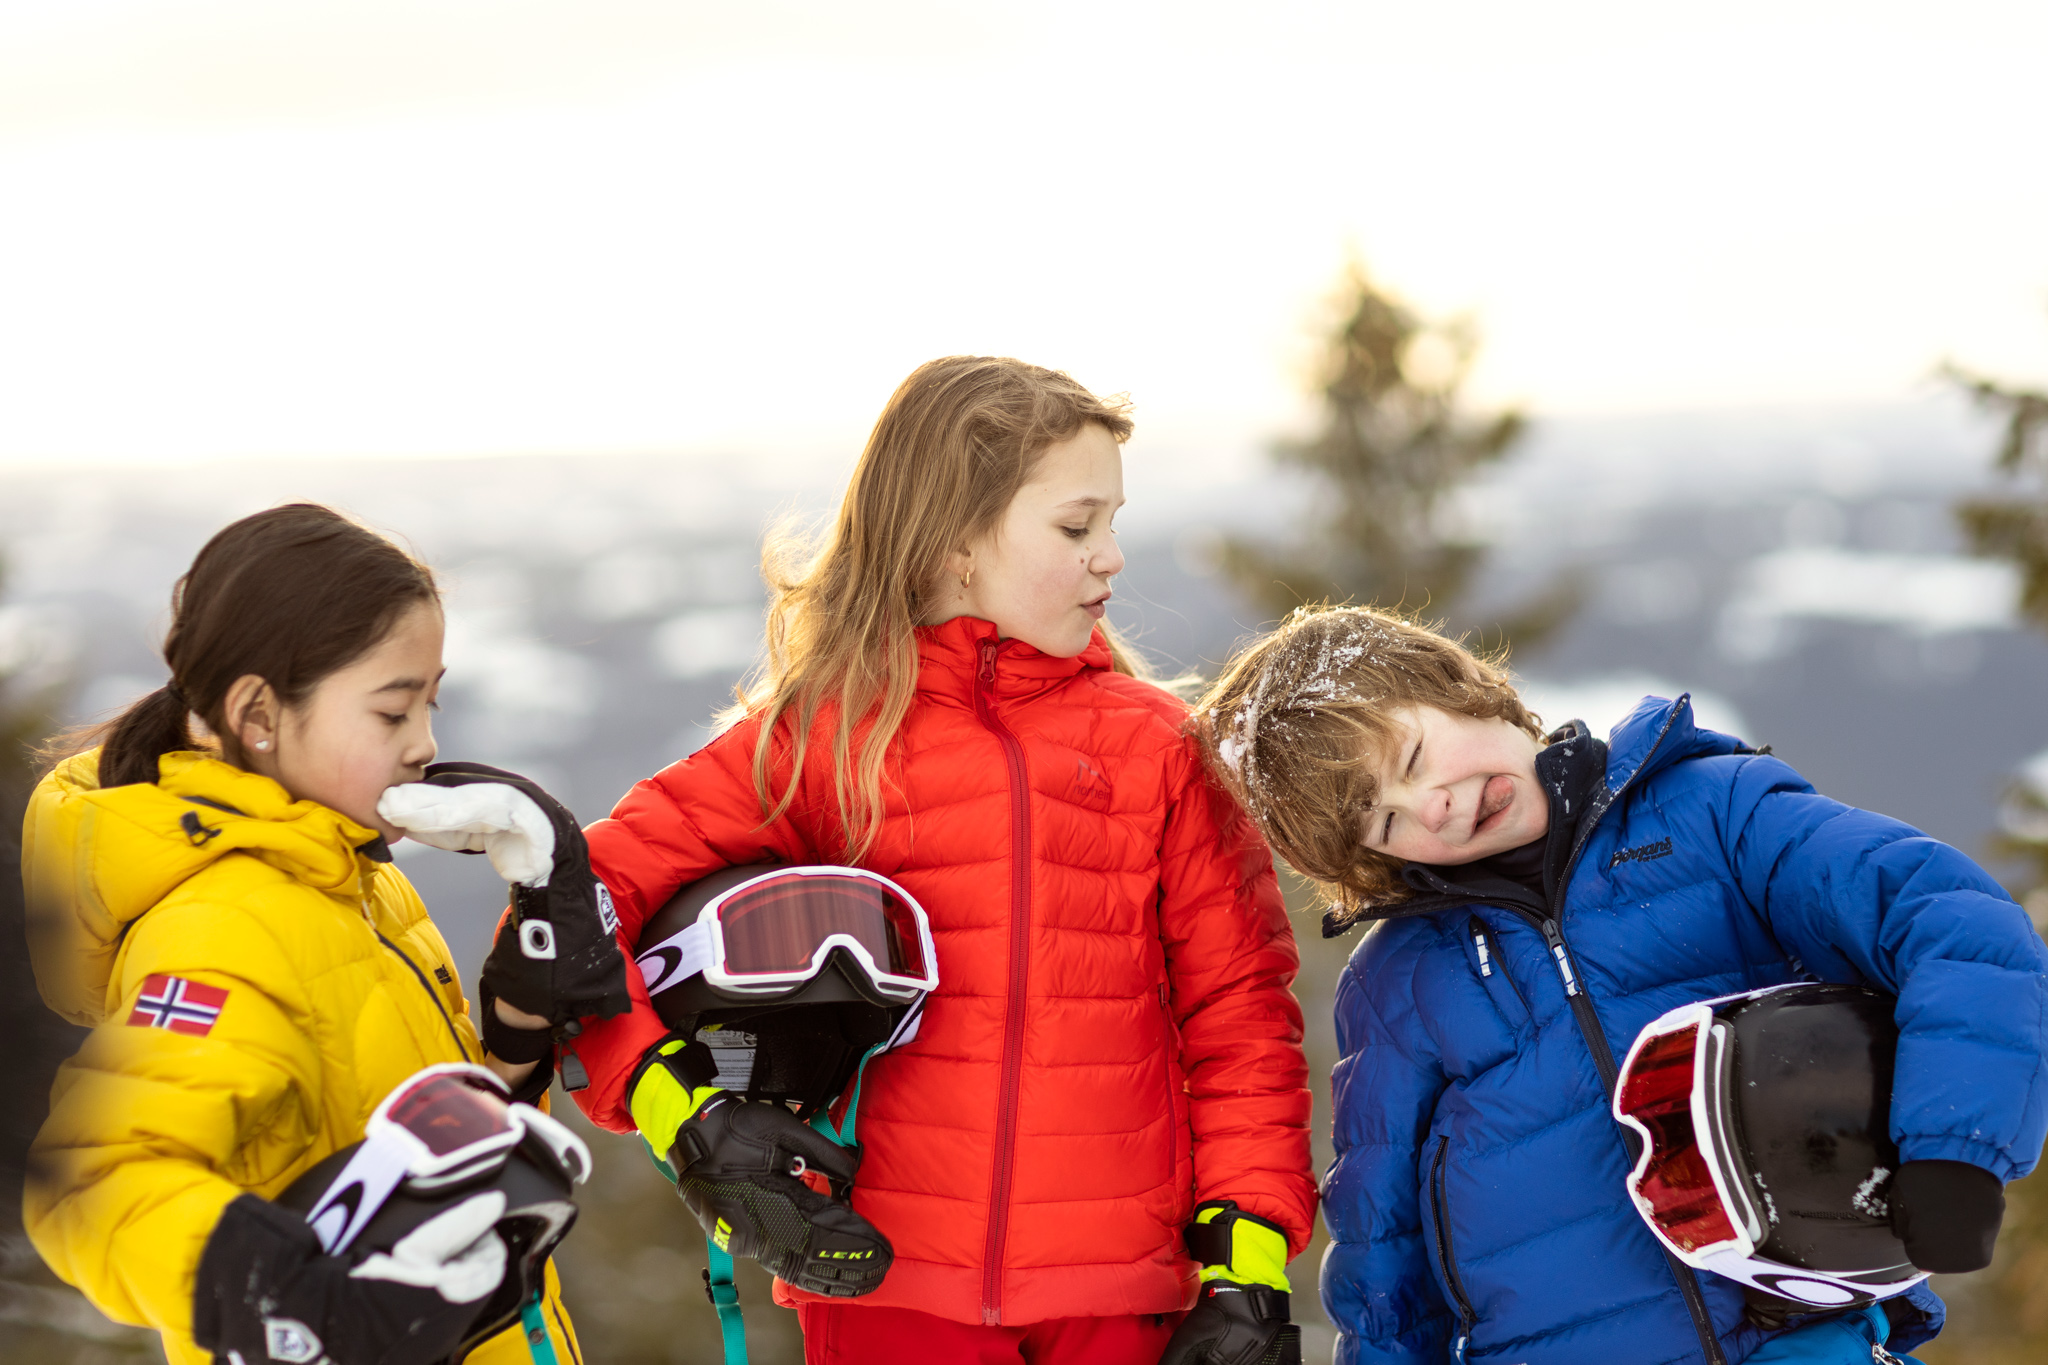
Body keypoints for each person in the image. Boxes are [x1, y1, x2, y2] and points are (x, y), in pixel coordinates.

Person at [561, 355, 1318, 1364]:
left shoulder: (1157, 749)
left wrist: (1248, 1264)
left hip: (1119, 1294)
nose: (1111, 557)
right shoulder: (827, 739)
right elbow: (565, 919)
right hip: (884, 1289)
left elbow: (1240, 1016)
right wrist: (686, 1115)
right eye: (1075, 527)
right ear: (955, 540)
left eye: (1111, 523)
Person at [1192, 603, 2048, 1365]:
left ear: (1464, 690)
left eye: (1415, 755)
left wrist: (1954, 1146)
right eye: (1387, 820)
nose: (1432, 807)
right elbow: (1382, 1239)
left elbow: (1950, 922)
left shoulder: (1715, 817)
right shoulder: (1397, 983)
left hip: (1797, 1335)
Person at [20, 504, 586, 1365]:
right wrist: (298, 1299)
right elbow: (95, 1181)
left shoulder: (361, 884)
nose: (426, 744)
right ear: (258, 714)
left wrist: (520, 1031)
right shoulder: (225, 926)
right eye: (393, 712)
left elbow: (408, 1137)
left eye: (430, 704)